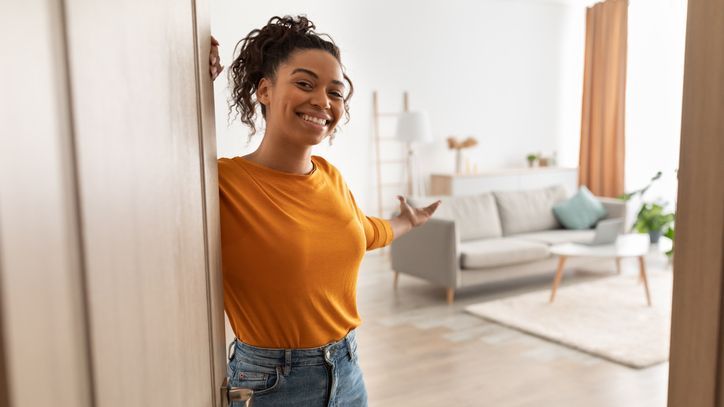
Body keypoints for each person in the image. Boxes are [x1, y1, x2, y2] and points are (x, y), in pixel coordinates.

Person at [209, 15, 441, 406]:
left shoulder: (330, 177)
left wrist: (406, 221)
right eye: (304, 84)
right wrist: (183, 77)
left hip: (347, 369)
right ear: (265, 90)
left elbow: (362, 233)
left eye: (335, 92)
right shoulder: (222, 182)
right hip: (272, 383)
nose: (323, 101)